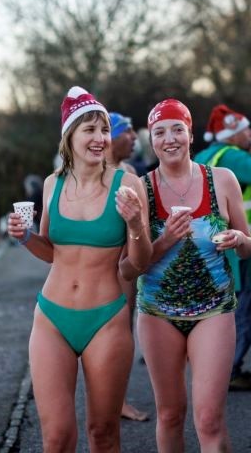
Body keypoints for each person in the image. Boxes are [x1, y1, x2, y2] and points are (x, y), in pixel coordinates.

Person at [7, 86, 152, 451]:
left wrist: (135, 225)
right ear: (69, 136)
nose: (100, 138)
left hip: (105, 320)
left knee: (102, 434)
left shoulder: (127, 184)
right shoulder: (52, 185)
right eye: (89, 129)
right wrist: (24, 237)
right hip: (52, 318)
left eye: (104, 130)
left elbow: (140, 263)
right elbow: (51, 252)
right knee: (56, 438)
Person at [138, 99, 251, 451]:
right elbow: (134, 264)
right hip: (158, 314)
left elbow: (249, 246)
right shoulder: (141, 189)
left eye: (177, 129)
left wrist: (238, 239)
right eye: (160, 132)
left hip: (214, 310)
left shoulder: (222, 179)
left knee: (209, 419)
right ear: (152, 140)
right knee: (170, 415)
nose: (169, 139)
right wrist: (166, 239)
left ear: (190, 133)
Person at [193, 104, 251, 391]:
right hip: (239, 249)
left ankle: (213, 366)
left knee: (218, 312)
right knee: (242, 313)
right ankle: (229, 370)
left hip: (211, 248)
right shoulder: (232, 156)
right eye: (246, 130)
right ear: (232, 134)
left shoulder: (206, 155)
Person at [104, 111, 149, 422]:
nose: (134, 138)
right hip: (99, 269)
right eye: (128, 132)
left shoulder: (130, 171)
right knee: (109, 333)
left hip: (127, 267)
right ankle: (110, 403)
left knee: (121, 333)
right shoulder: (91, 174)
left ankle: (116, 399)